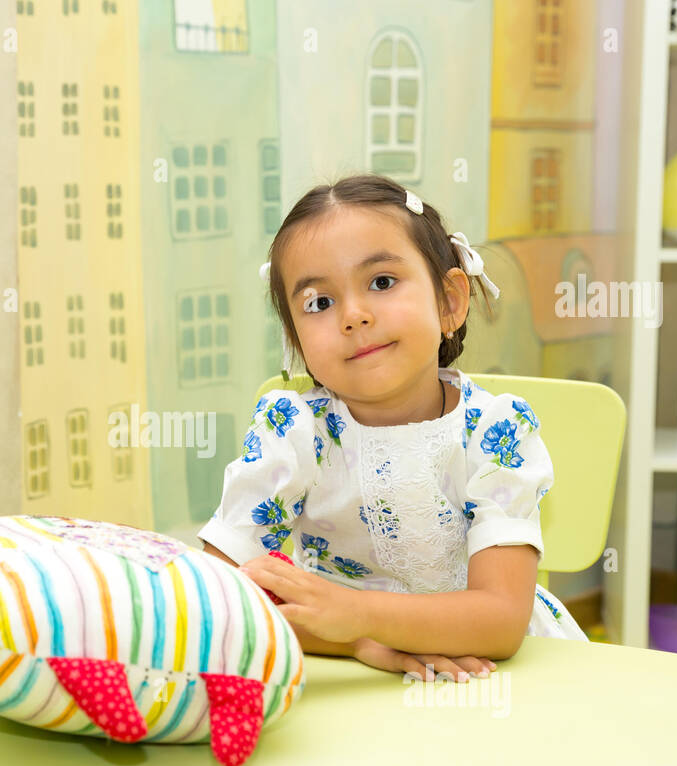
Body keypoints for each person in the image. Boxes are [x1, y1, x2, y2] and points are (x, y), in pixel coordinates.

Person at [197, 174, 589, 683]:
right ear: (297, 341)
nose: (353, 316)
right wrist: (356, 641)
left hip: (499, 677)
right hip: (345, 677)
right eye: (319, 302)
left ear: (449, 301)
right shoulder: (290, 431)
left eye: (381, 282)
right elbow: (215, 600)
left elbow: (500, 622)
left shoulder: (497, 430)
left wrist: (358, 617)